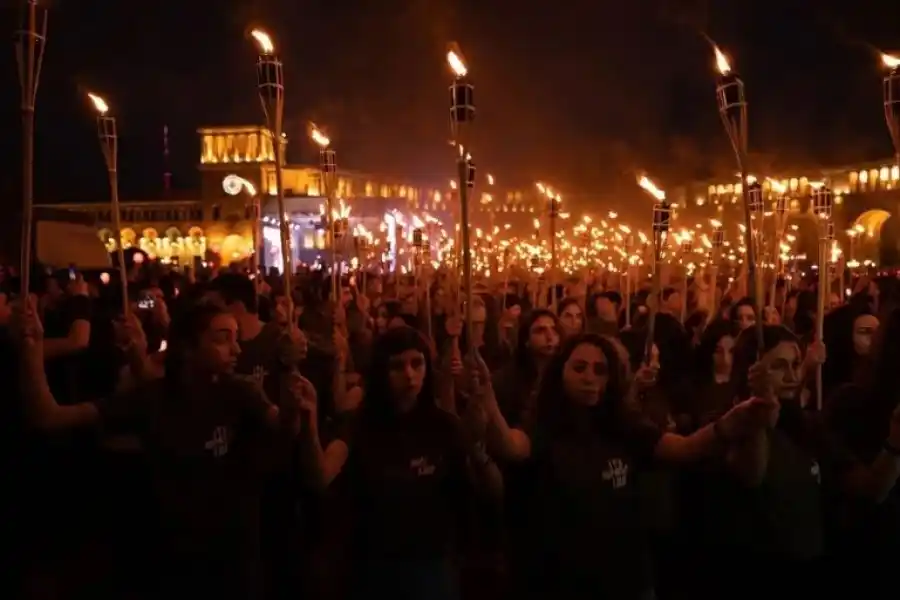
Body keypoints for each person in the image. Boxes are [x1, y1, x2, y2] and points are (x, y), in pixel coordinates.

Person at [16, 298, 309, 599]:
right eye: (222, 340)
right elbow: (49, 416)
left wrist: (290, 382)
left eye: (236, 338)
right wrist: (30, 349)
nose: (236, 349)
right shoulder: (151, 399)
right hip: (172, 553)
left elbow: (285, 428)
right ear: (187, 347)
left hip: (234, 551)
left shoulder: (241, 391)